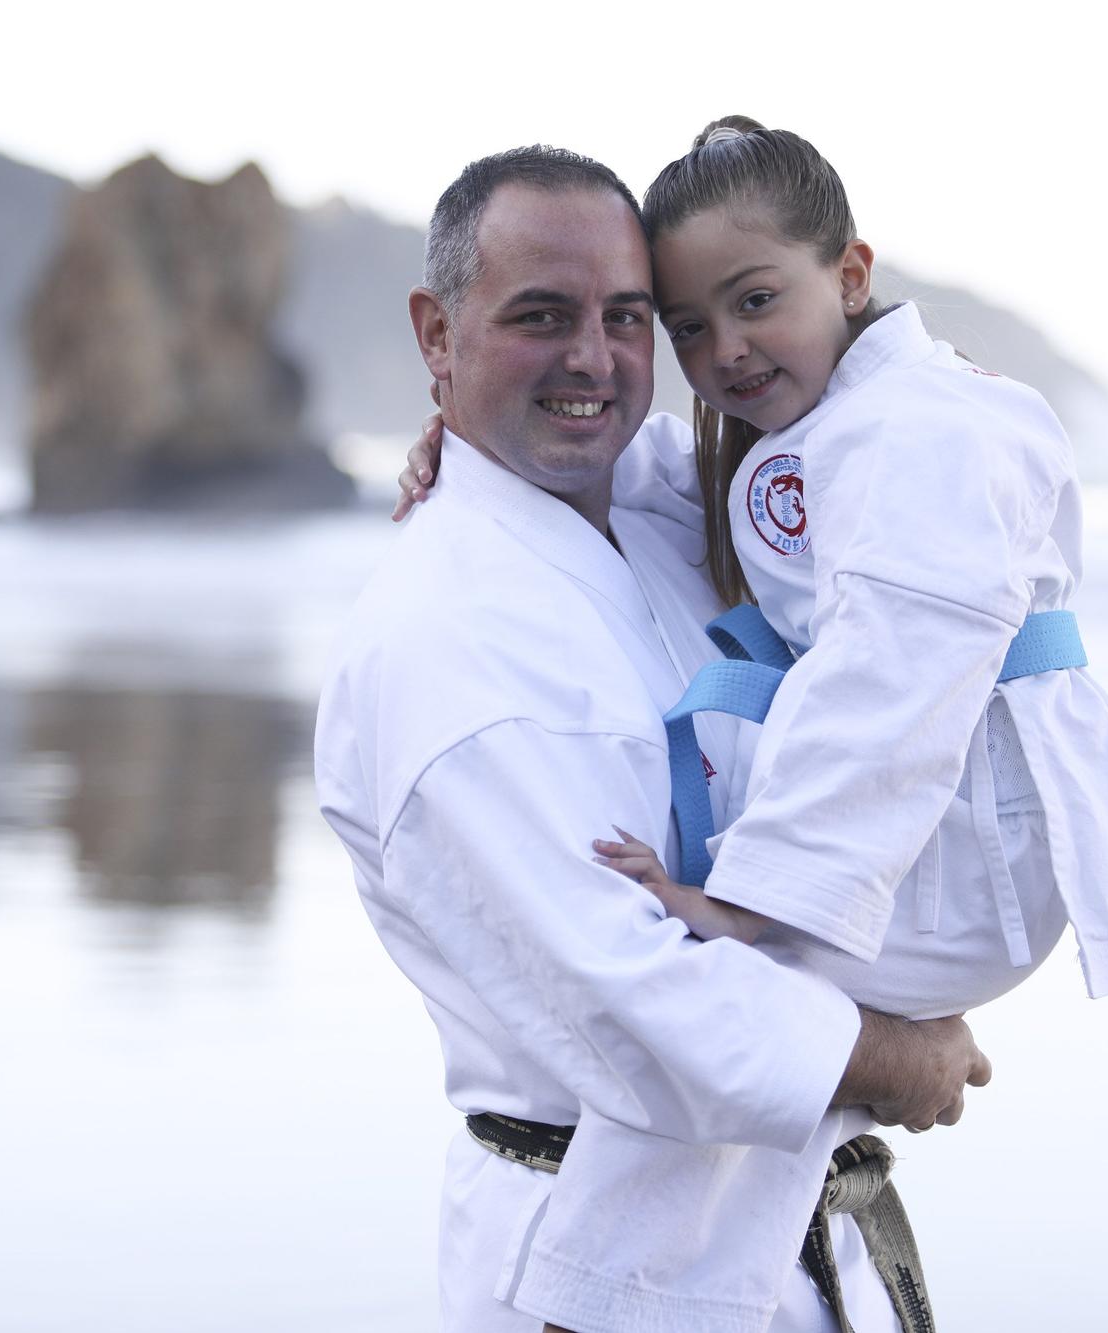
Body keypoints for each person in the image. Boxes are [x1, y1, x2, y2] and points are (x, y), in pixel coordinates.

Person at [315, 146, 991, 1333]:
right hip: (595, 1264)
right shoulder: (449, 647)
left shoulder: (661, 521)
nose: (592, 359)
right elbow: (631, 1005)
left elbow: (888, 488)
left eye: (629, 318)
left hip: (789, 1235)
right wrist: (896, 1056)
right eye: (539, 317)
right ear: (437, 334)